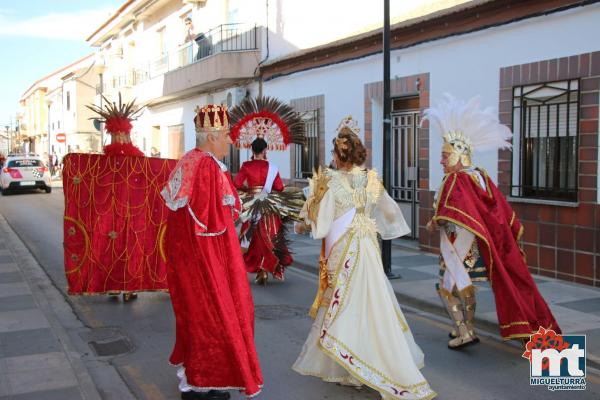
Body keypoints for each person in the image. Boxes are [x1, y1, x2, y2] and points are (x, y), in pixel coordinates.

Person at [292, 117, 436, 400]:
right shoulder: (372, 179)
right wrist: (369, 216)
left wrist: (304, 223)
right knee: (370, 305)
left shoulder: (330, 181)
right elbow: (393, 214)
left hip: (341, 251)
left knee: (343, 306)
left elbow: (320, 224)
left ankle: (351, 369)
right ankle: (357, 366)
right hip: (368, 249)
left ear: (337, 154)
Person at [423, 94, 561, 349]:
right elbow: (499, 212)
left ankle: (464, 331)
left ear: (457, 155)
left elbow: (446, 215)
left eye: (445, 155)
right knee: (467, 287)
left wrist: (432, 224)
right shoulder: (481, 176)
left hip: (459, 246)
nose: (441, 160)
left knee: (447, 287)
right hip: (480, 249)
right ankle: (466, 329)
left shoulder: (456, 180)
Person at [161, 105, 263, 400]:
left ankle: (199, 381)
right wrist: (220, 275)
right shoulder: (205, 167)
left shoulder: (190, 161)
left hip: (190, 263)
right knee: (212, 319)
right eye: (226, 136)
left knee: (197, 320)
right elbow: (212, 227)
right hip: (206, 264)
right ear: (211, 137)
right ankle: (201, 382)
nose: (230, 141)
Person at [234, 138, 292, 284]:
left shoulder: (246, 165)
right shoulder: (272, 167)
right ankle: (266, 267)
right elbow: (279, 187)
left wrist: (249, 190)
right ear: (265, 150)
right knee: (269, 235)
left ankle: (259, 268)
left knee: (252, 237)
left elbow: (237, 183)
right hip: (268, 205)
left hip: (252, 204)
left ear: (252, 150)